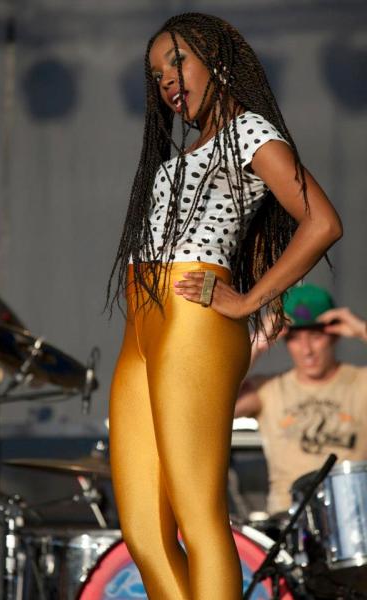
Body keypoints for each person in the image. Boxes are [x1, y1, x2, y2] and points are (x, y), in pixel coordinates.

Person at [106, 13, 342, 600]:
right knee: (143, 531)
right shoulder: (183, 153)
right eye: (156, 74)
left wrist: (249, 300)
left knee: (197, 515)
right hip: (143, 326)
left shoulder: (250, 132)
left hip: (194, 321)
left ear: (218, 62)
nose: (167, 80)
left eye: (177, 62)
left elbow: (322, 222)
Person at [235, 284, 367, 515]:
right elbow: (208, 405)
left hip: (353, 517)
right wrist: (258, 342)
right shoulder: (267, 389)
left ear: (334, 335)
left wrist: (361, 329)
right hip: (287, 520)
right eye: (295, 338)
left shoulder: (360, 382)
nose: (306, 350)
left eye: (316, 336)